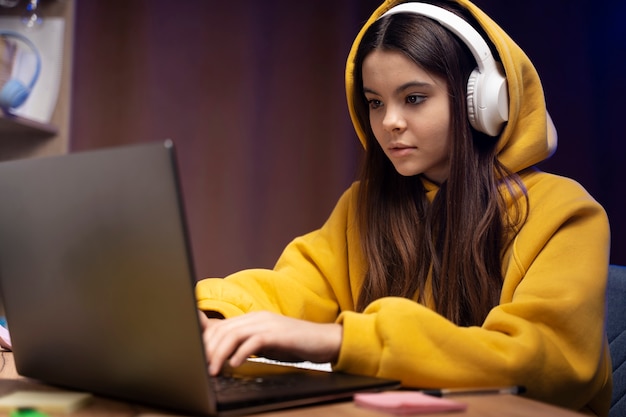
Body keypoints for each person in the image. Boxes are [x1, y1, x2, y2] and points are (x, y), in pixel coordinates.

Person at [196, 0, 612, 415]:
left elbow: (544, 360)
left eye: (413, 98)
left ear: (482, 103)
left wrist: (341, 340)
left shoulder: (565, 212)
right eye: (375, 102)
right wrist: (215, 316)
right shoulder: (363, 205)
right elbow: (294, 288)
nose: (389, 121)